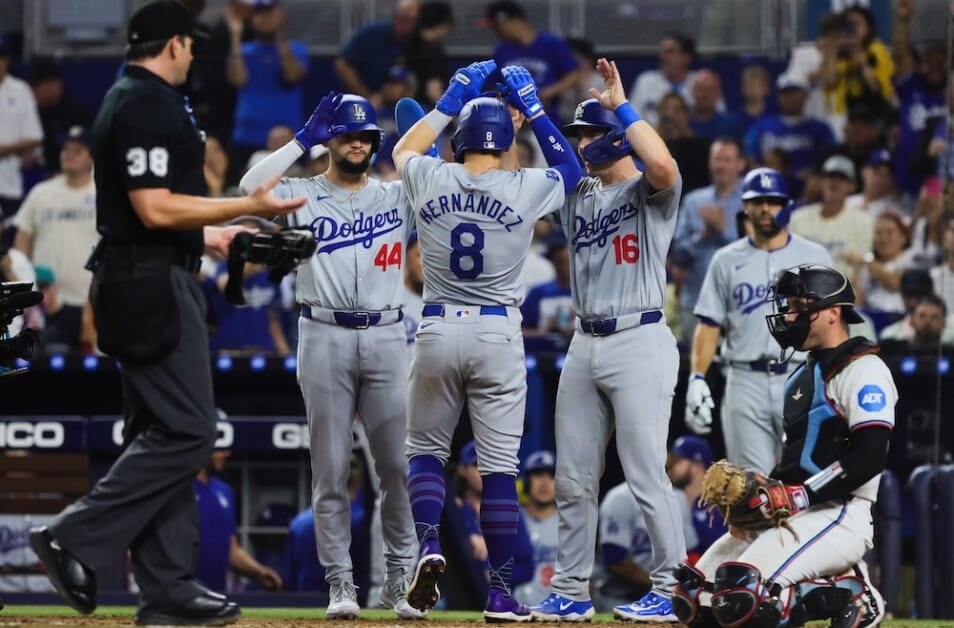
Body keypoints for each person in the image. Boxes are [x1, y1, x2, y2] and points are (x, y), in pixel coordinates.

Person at [27, 2, 305, 625]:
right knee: (190, 432)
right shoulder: (145, 101)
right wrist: (239, 206)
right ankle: (73, 535)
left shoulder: (130, 97)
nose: (195, 56)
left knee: (162, 434)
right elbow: (153, 208)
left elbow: (143, 217)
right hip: (149, 286)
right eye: (192, 45)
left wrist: (212, 237)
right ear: (174, 43)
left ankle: (168, 589)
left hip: (141, 272)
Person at [392, 60, 581, 620]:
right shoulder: (521, 185)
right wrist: (537, 114)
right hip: (499, 330)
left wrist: (450, 99)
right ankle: (499, 593)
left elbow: (403, 148)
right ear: (504, 143)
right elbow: (570, 171)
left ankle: (428, 546)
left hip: (437, 323)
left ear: (459, 141)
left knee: (425, 453)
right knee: (500, 471)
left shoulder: (432, 175)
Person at [239, 93, 422, 619]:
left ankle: (398, 582)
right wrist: (301, 139)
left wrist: (435, 116)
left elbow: (436, 171)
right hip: (323, 331)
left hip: (388, 333)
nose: (357, 142)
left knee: (395, 468)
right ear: (329, 140)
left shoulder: (395, 195)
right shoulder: (300, 193)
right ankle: (341, 584)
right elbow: (251, 188)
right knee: (332, 469)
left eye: (365, 136)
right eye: (346, 134)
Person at [528, 57, 685, 623]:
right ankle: (570, 589)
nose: (584, 142)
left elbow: (663, 162)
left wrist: (620, 104)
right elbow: (559, 160)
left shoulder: (652, 194)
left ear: (618, 135)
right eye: (581, 134)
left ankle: (670, 587)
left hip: (639, 339)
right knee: (572, 477)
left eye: (592, 132)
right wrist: (537, 113)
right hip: (584, 342)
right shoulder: (580, 197)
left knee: (645, 471)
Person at [672, 263, 891, 628]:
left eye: (799, 306)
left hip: (841, 513)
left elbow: (869, 457)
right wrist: (760, 503)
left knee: (745, 596)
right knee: (697, 598)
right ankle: (831, 585)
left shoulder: (864, 370)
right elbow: (793, 463)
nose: (789, 316)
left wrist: (799, 496)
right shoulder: (800, 378)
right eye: (788, 306)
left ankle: (853, 592)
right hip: (798, 514)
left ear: (833, 313)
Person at [687, 168, 831, 474]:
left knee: (806, 476)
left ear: (787, 205)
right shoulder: (725, 259)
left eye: (773, 201)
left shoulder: (814, 254)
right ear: (745, 206)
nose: (766, 209)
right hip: (744, 379)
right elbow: (709, 323)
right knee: (750, 484)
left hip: (800, 375)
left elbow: (832, 320)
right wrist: (697, 377)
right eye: (758, 201)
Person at [12, 126, 98, 328]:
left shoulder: (104, 194)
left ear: (92, 157)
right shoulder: (41, 193)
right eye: (65, 150)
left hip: (92, 303)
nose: (69, 155)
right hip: (45, 305)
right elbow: (21, 246)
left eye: (77, 151)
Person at [670, 137, 746, 345]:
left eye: (727, 160)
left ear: (740, 163)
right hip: (697, 302)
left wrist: (723, 231)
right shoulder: (694, 202)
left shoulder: (750, 201)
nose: (720, 165)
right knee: (696, 372)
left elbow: (758, 249)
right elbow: (677, 254)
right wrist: (702, 236)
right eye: (716, 159)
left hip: (740, 304)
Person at [227, 0, 309, 169]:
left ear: (280, 15)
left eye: (269, 12)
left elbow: (292, 76)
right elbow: (237, 80)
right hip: (247, 137)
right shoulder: (243, 51)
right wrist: (236, 35)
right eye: (259, 13)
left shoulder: (296, 49)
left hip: (286, 140)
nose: (264, 18)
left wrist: (279, 33)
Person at [194, 448, 283, 593]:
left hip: (217, 594)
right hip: (183, 594)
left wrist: (259, 572)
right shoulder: (180, 490)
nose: (227, 454)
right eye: (219, 449)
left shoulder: (224, 491)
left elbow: (232, 550)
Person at [481, 1, 580, 123]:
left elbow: (574, 74)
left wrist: (548, 92)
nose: (495, 31)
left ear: (508, 22)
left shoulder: (550, 43)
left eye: (496, 26)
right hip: (511, 120)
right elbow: (493, 85)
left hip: (546, 118)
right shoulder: (502, 49)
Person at [788, 155, 873, 278]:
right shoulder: (798, 218)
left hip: (844, 292)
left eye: (841, 178)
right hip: (804, 290)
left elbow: (862, 269)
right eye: (829, 177)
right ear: (821, 182)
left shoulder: (862, 221)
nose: (834, 182)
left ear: (852, 185)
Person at [333, 0, 420, 108]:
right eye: (403, 19)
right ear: (394, 16)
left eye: (413, 21)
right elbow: (342, 64)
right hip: (364, 104)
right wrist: (366, 97)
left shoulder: (420, 41)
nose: (407, 26)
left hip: (403, 107)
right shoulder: (372, 35)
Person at [0, 35, 43, 223]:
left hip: (9, 182)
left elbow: (35, 136)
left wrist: (5, 149)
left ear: (6, 61)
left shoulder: (20, 90)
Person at [665, 435, 727, 562]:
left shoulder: (720, 504)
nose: (671, 467)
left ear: (697, 465)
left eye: (677, 461)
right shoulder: (672, 500)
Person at [513, 450, 559, 607]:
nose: (545, 483)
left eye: (551, 476)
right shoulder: (511, 519)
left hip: (556, 613)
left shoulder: (569, 524)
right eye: (538, 475)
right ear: (526, 482)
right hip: (512, 608)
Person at [628, 32, 700, 128]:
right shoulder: (645, 81)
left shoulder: (702, 82)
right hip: (650, 138)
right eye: (663, 52)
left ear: (686, 57)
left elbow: (715, 118)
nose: (664, 57)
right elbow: (632, 120)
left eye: (670, 52)